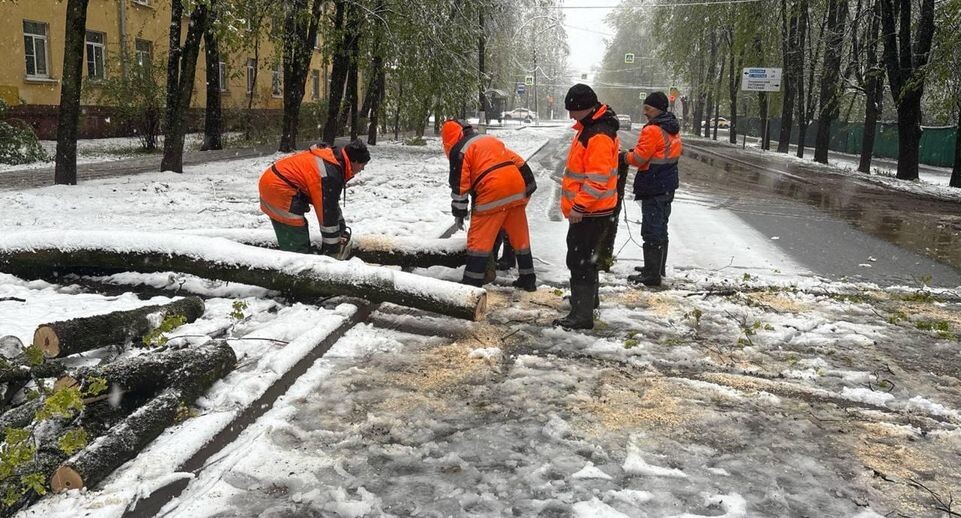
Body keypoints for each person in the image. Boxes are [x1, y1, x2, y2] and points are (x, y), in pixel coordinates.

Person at [552, 84, 620, 330]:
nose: (571, 116)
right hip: (593, 209)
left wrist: (579, 207)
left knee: (580, 259)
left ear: (587, 108)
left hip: (591, 210)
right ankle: (587, 302)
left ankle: (581, 315)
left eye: (573, 111)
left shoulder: (598, 134)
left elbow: (597, 179)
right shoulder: (590, 128)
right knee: (585, 258)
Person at [441, 119, 537, 291]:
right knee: (520, 237)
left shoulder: (460, 150)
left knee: (479, 239)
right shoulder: (487, 140)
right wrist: (528, 186)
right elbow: (517, 160)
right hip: (516, 187)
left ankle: (472, 284)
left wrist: (459, 213)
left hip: (493, 190)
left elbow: (460, 186)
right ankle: (528, 279)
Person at [258, 139, 370, 257]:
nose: (362, 169)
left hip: (278, 183)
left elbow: (330, 204)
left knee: (298, 231)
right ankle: (297, 267)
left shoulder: (334, 163)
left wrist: (341, 229)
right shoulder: (330, 173)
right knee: (296, 238)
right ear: (354, 161)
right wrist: (332, 251)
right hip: (277, 189)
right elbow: (326, 215)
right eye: (363, 164)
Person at [622, 91, 682, 286]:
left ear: (658, 109)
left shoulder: (652, 130)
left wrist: (624, 157)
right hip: (667, 184)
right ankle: (657, 268)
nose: (645, 112)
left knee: (651, 230)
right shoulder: (671, 128)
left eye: (648, 109)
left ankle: (651, 274)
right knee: (661, 228)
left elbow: (639, 158)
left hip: (653, 184)